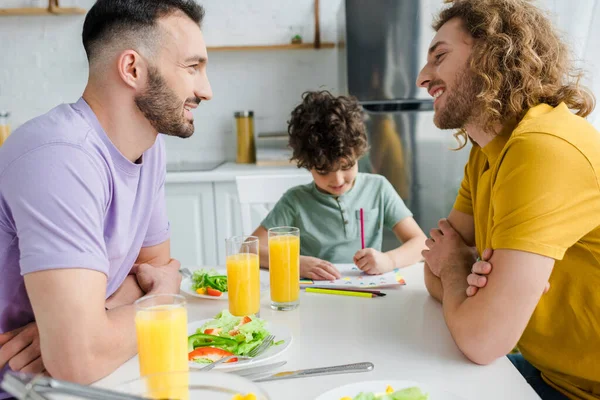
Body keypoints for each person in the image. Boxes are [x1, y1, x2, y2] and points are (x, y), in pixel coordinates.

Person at [0, 0, 212, 393]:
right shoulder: (60, 157)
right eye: (192, 67)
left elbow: (155, 265)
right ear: (132, 68)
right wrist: (165, 295)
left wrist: (96, 320)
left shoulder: (148, 149)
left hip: (74, 381)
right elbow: (81, 359)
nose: (206, 90)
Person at [416, 1, 599, 399]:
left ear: (493, 52)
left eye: (439, 57)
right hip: (550, 373)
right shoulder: (486, 152)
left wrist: (455, 266)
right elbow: (433, 272)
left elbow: (483, 339)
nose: (422, 77)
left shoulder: (543, 149)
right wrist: (457, 270)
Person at [251, 90, 427, 281]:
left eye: (347, 166)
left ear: (358, 154)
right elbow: (250, 249)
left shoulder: (378, 188)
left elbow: (421, 244)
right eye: (324, 171)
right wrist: (293, 262)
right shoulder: (295, 201)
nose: (338, 180)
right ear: (308, 165)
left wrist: (389, 260)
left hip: (369, 295)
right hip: (316, 295)